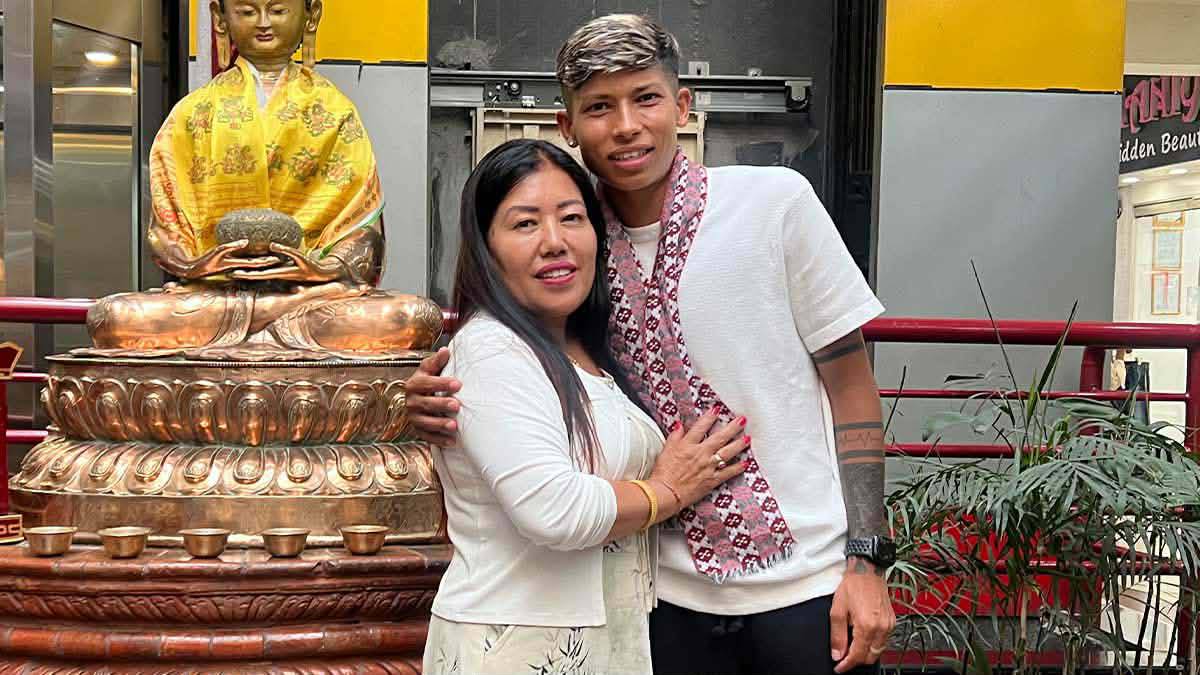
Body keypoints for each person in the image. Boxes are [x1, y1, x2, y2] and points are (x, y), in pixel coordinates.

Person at [409, 14, 897, 675]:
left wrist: (866, 558)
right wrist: (425, 402)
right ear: (567, 126)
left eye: (645, 98)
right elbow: (525, 376)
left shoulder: (776, 204)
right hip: (656, 602)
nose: (626, 126)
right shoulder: (574, 261)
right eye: (600, 107)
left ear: (682, 105)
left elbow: (851, 385)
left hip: (805, 588)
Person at [422, 138, 751, 675]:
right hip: (517, 645)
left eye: (572, 218)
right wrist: (669, 490)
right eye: (525, 224)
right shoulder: (491, 349)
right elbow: (554, 511)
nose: (555, 242)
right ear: (485, 246)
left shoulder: (590, 349)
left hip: (599, 638)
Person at [85, 0, 441, 358]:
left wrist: (321, 268)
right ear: (220, 18)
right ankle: (265, 326)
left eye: (278, 9)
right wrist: (196, 264)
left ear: (311, 14)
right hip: (215, 295)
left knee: (413, 318)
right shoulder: (193, 113)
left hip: (309, 298)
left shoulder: (335, 111)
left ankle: (259, 326)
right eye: (247, 10)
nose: (264, 23)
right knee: (113, 318)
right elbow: (165, 230)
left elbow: (364, 232)